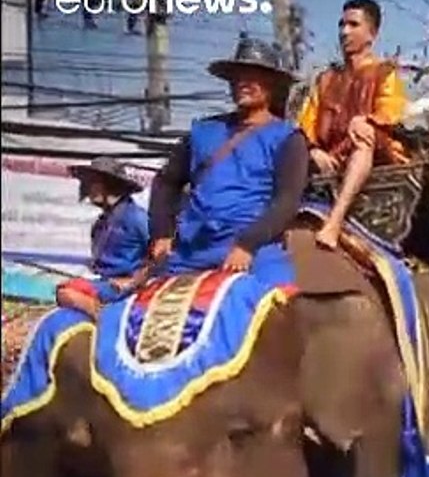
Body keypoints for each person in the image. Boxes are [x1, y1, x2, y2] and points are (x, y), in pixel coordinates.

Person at [147, 36, 307, 284]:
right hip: (191, 250)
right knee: (138, 308)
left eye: (254, 76)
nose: (244, 83)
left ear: (272, 85)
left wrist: (248, 244)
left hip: (253, 248)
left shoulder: (287, 138)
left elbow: (287, 200)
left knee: (274, 305)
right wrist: (162, 232)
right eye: (238, 76)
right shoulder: (203, 131)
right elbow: (167, 182)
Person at [296, 0, 410, 249]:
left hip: (376, 154)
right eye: (341, 25)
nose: (344, 32)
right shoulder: (326, 79)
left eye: (353, 25)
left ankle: (334, 222)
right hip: (329, 164)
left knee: (364, 136)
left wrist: (367, 121)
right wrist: (313, 149)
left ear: (372, 33)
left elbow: (390, 115)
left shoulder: (384, 72)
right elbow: (306, 124)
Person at [54, 157, 149, 316]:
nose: (86, 188)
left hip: (125, 288)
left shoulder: (137, 218)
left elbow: (161, 253)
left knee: (67, 292)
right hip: (105, 284)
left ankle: (105, 320)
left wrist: (132, 282)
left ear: (107, 184)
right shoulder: (100, 225)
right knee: (64, 290)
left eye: (91, 182)